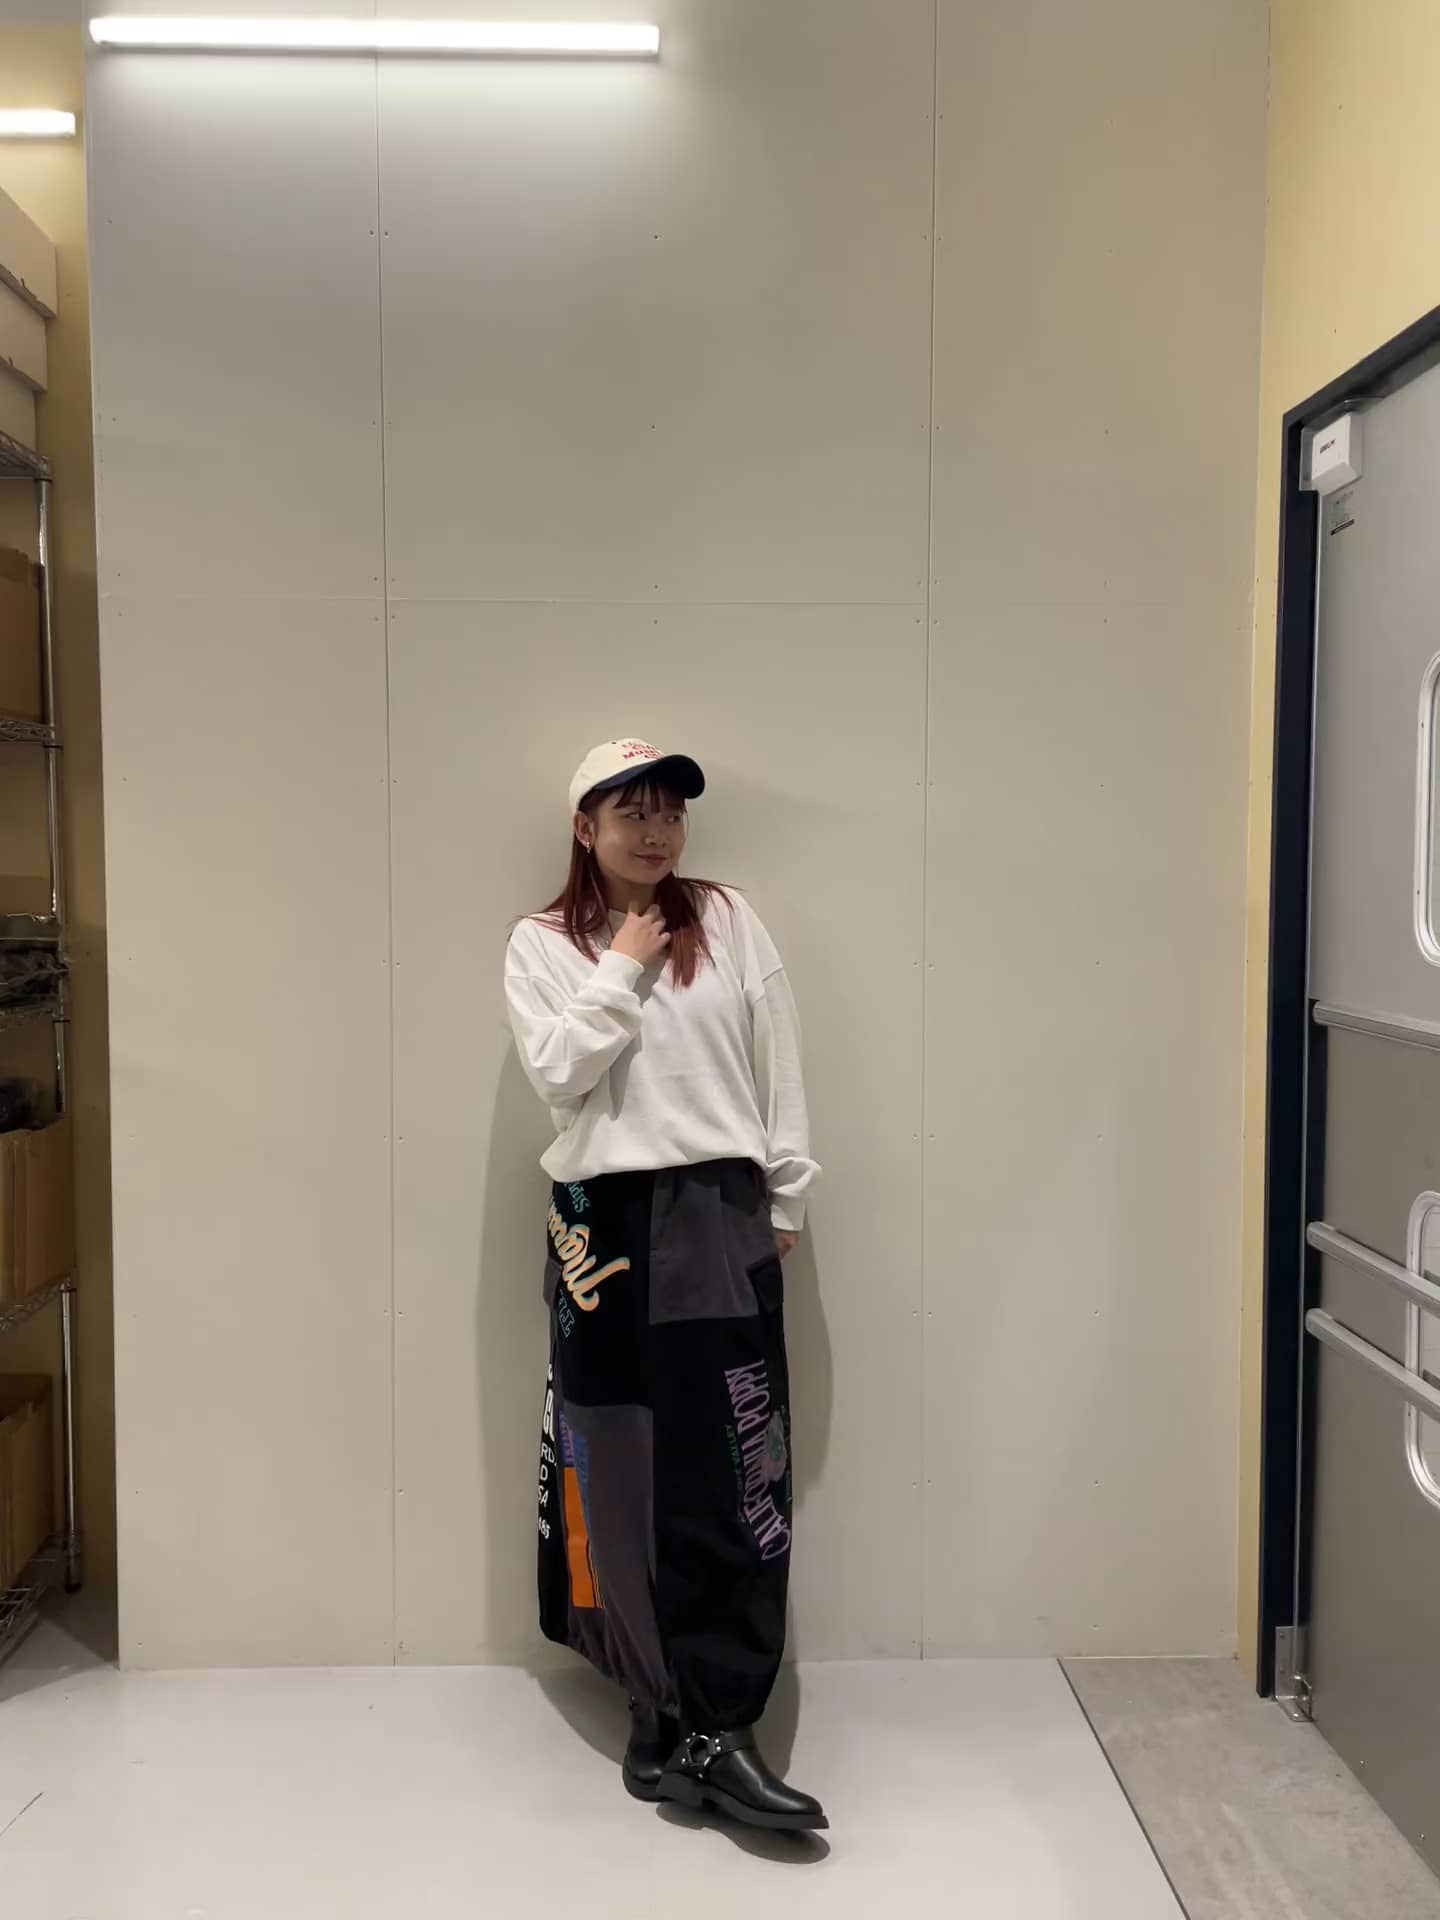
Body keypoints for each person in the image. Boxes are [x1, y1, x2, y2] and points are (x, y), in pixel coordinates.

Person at [504, 738, 826, 1833]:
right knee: (613, 1465)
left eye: (669, 813)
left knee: (731, 1465)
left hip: (716, 1213)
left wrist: (785, 1198)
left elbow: (778, 1057)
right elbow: (558, 1072)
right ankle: (655, 1704)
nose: (655, 832)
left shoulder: (727, 919)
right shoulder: (542, 942)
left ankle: (721, 1721)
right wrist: (622, 964)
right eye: (631, 812)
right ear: (585, 828)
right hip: (601, 1226)